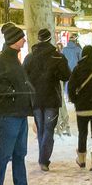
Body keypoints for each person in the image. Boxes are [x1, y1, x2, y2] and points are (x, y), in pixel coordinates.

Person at [0, 22, 38, 185]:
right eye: (21, 37)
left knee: (20, 153)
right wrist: (11, 91)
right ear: (14, 41)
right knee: (5, 153)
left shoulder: (15, 59)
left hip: (20, 113)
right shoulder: (1, 60)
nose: (24, 40)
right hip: (8, 114)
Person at [24, 28, 69, 171]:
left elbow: (24, 77)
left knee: (42, 129)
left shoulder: (30, 57)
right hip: (51, 98)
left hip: (36, 99)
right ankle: (43, 160)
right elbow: (67, 75)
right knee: (49, 129)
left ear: (38, 39)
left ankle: (42, 159)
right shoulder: (57, 57)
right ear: (50, 39)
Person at [68, 45, 92, 169]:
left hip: (82, 108)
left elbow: (71, 87)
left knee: (82, 133)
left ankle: (81, 159)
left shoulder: (78, 68)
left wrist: (75, 100)